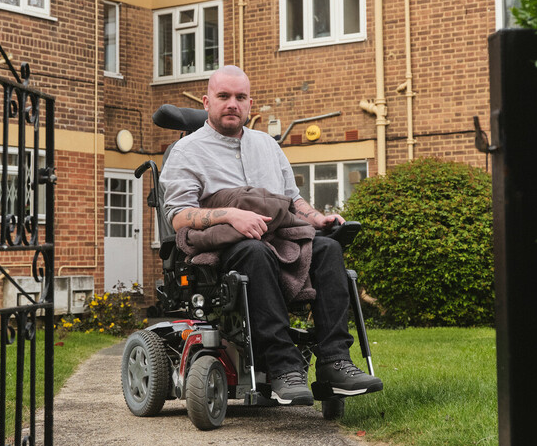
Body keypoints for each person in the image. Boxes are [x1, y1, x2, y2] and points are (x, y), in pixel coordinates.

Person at [160, 65, 383, 406]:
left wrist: (318, 218)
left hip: (278, 237)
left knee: (327, 249)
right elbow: (178, 216)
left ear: (250, 105)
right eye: (223, 96)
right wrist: (230, 214)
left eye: (240, 97)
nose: (232, 104)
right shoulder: (187, 151)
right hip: (227, 249)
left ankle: (334, 363)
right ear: (207, 102)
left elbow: (293, 200)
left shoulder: (268, 145)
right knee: (255, 252)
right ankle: (283, 367)